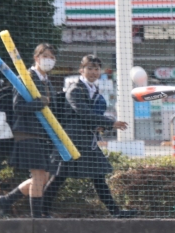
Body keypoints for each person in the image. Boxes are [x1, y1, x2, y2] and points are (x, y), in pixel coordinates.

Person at [42, 55, 137, 218]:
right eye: (89, 68)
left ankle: (116, 212)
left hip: (86, 140)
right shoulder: (75, 89)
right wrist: (110, 123)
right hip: (72, 140)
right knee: (59, 177)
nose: (93, 72)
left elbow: (88, 117)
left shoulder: (93, 90)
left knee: (97, 176)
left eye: (96, 69)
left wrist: (101, 125)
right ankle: (41, 211)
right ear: (82, 70)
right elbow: (84, 113)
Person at [0, 44, 59, 218]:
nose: (49, 60)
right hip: (28, 133)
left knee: (43, 177)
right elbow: (18, 107)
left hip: (44, 135)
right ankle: (36, 218)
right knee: (38, 174)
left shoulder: (47, 81)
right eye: (45, 56)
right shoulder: (25, 77)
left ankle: (6, 200)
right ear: (36, 58)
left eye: (52, 57)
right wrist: (40, 103)